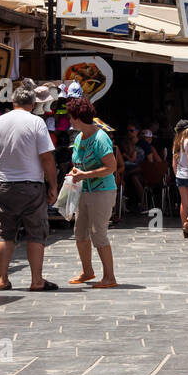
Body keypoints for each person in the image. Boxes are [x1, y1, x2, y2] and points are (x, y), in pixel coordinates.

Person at [0, 85, 58, 292]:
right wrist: (52, 185)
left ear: (13, 102)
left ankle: (2, 279)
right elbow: (46, 158)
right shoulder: (36, 122)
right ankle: (36, 280)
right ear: (33, 104)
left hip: (5, 185)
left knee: (5, 233)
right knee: (35, 233)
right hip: (31, 186)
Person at [65, 98, 118, 289]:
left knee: (99, 233)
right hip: (84, 191)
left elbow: (111, 167)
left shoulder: (100, 138)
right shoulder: (80, 137)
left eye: (71, 117)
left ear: (79, 118)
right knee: (80, 232)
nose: (69, 121)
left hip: (102, 191)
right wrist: (75, 173)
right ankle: (87, 271)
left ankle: (109, 277)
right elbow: (79, 163)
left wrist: (85, 174)